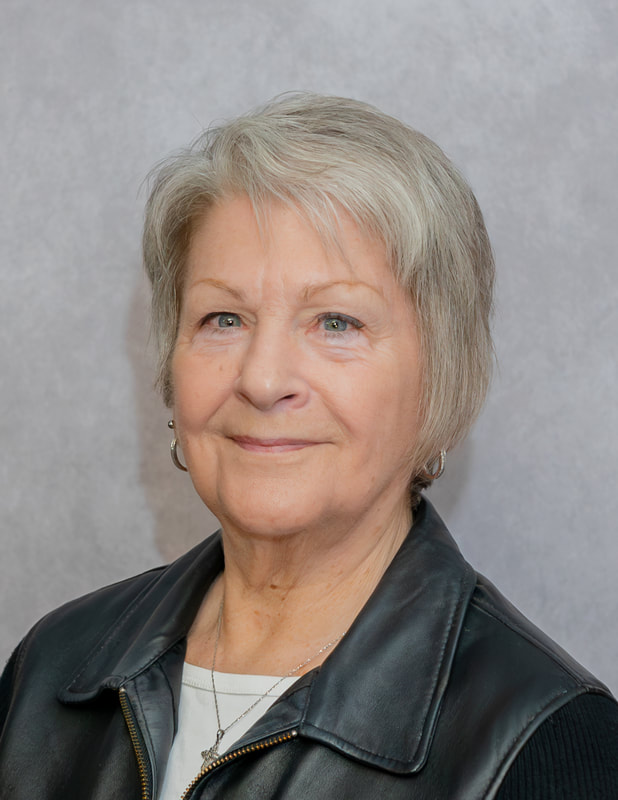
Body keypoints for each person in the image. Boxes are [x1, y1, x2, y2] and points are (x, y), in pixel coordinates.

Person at [1, 93, 617, 800]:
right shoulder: (49, 675)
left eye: (336, 322)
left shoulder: (549, 746)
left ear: (441, 377)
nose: (263, 380)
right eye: (223, 317)